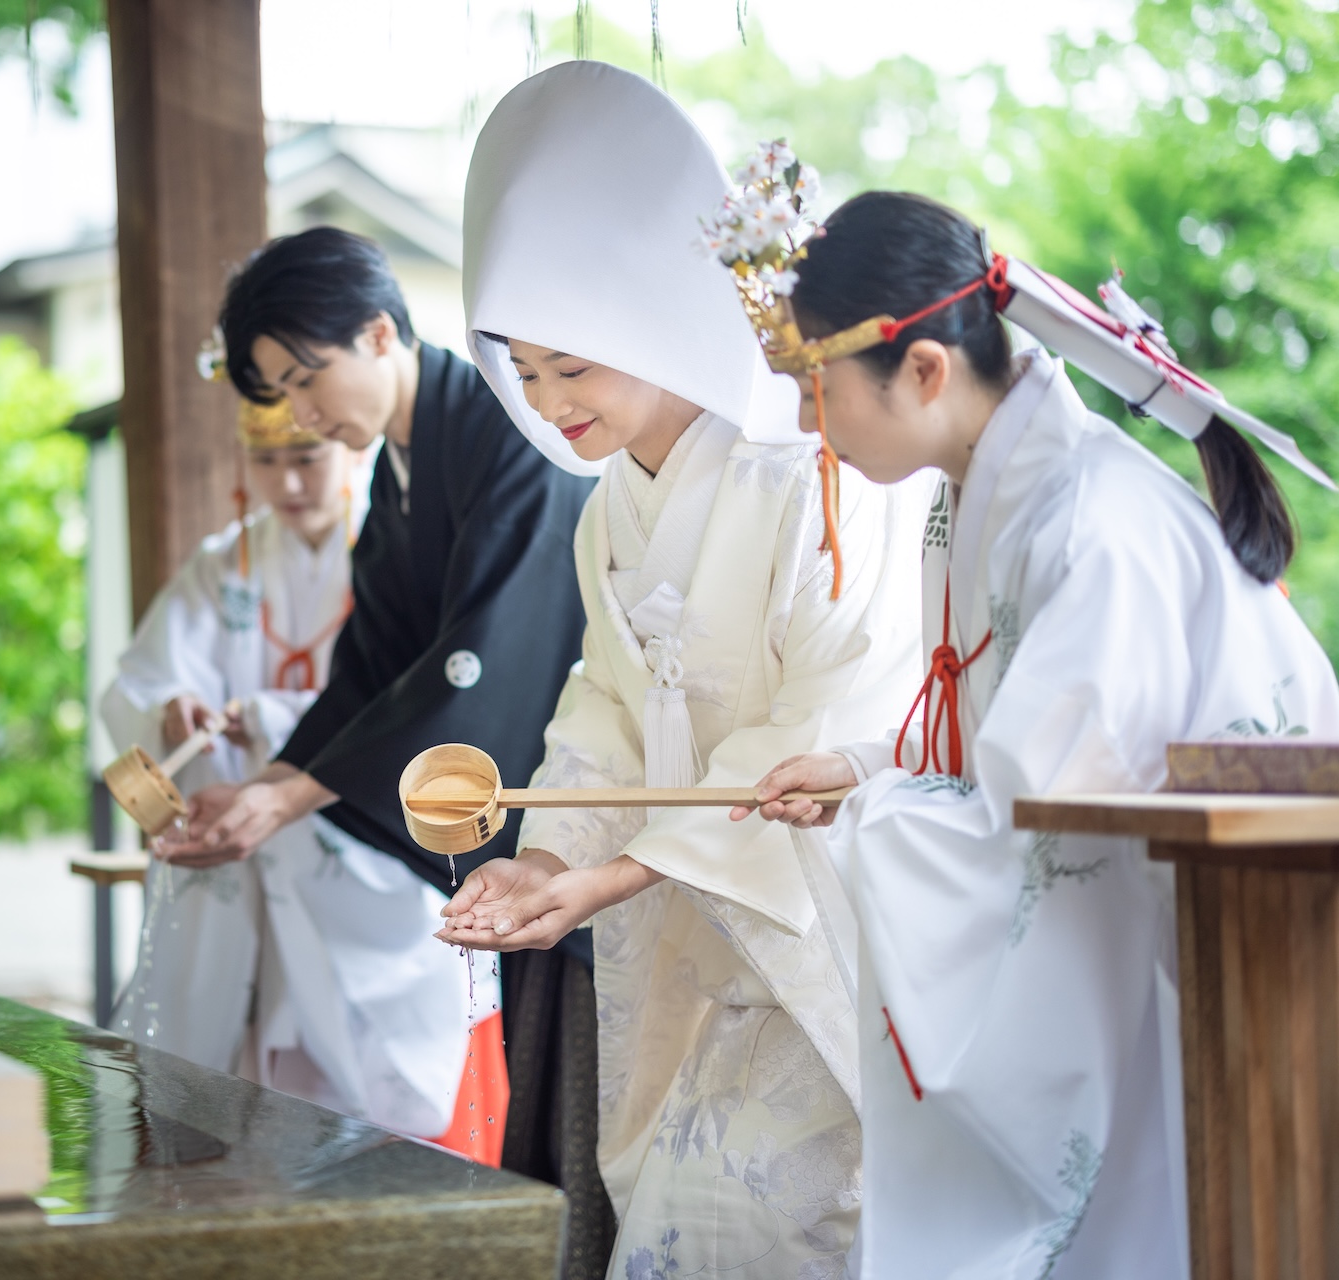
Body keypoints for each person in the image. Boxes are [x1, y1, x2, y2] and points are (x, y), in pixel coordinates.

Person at [725, 183, 1339, 1276]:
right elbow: (1002, 742)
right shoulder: (975, 496)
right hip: (1156, 924)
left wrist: (877, 808)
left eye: (816, 388)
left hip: (1225, 942)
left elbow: (1042, 829)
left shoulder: (1093, 523)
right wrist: (869, 765)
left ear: (921, 369)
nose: (809, 426)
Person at [435, 63, 927, 1280]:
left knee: (750, 1217)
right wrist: (549, 852)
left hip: (811, 923)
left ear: (651, 316)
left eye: (574, 366)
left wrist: (605, 874)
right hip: (677, 933)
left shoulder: (809, 469)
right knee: (669, 1203)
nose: (551, 404)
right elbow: (603, 701)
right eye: (529, 373)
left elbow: (833, 710)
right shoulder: (610, 511)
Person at [150, 227, 604, 1261]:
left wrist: (285, 795)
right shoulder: (404, 465)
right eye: (276, 392)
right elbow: (372, 662)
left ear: (379, 330)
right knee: (529, 1124)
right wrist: (268, 783)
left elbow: (482, 663)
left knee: (575, 1114)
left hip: (579, 828)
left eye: (305, 380)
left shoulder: (505, 429)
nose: (300, 413)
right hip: (523, 846)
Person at [101, 389, 500, 1155]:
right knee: (244, 1058)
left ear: (348, 450)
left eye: (306, 459)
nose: (287, 483)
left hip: (351, 842)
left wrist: (275, 724)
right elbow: (140, 680)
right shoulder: (223, 566)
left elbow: (410, 698)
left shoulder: (389, 555)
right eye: (268, 460)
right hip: (242, 858)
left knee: (365, 1088)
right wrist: (172, 707)